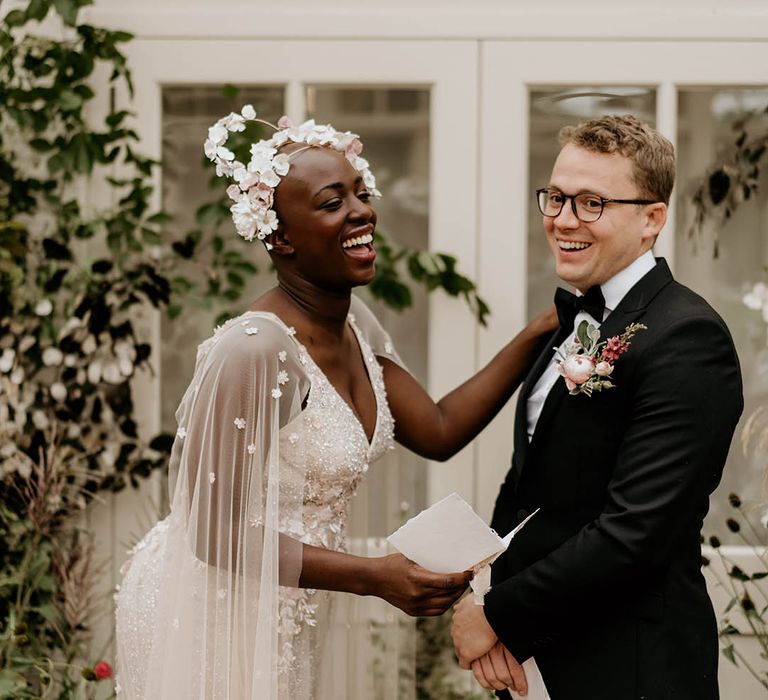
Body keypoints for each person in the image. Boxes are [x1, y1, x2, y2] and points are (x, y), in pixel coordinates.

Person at [114, 108, 557, 700]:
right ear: (279, 236)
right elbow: (211, 529)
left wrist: (545, 326)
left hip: (287, 598)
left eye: (361, 193)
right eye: (331, 203)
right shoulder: (255, 350)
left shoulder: (356, 328)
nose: (362, 211)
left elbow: (439, 429)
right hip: (214, 600)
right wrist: (375, 577)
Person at [450, 114, 744, 700]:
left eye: (591, 203)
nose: (563, 220)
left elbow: (637, 532)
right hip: (540, 659)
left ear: (651, 219)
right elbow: (531, 485)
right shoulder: (581, 321)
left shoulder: (687, 337)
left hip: (630, 664)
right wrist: (485, 594)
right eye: (556, 198)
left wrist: (496, 616)